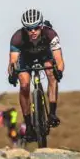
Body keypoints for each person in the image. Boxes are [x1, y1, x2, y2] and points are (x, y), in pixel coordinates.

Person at [6, 8, 65, 143]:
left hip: (45, 55)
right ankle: (29, 126)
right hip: (25, 59)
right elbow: (13, 62)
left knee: (51, 73)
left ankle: (52, 113)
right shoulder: (17, 38)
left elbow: (59, 60)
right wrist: (12, 74)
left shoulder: (50, 34)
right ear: (24, 29)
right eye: (29, 28)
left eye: (36, 28)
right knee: (25, 84)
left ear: (42, 26)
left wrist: (59, 72)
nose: (33, 31)